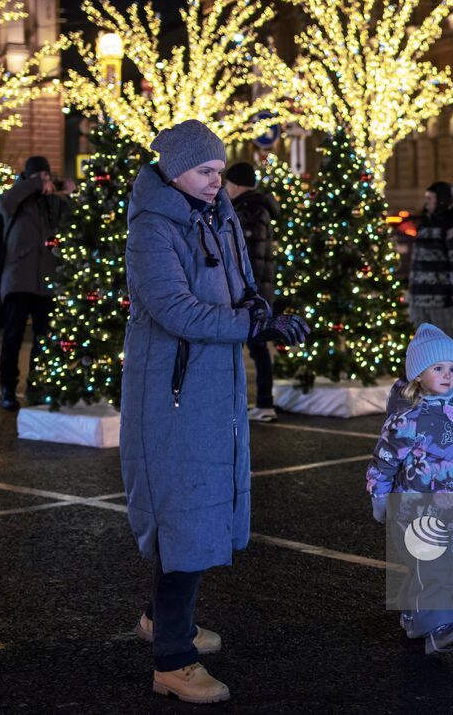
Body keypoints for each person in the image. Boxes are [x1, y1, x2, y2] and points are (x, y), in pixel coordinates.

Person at [122, 119, 310, 704]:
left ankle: (161, 617)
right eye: (206, 171)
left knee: (204, 503)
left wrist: (261, 309)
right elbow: (176, 310)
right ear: (175, 169)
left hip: (213, 382)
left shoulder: (214, 213)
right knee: (186, 508)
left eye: (219, 170)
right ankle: (172, 662)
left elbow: (237, 283)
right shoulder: (153, 227)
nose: (216, 181)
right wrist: (249, 324)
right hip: (174, 389)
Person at [366, 324, 453, 656]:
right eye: (438, 368)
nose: (447, 375)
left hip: (450, 509)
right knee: (433, 568)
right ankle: (438, 629)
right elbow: (384, 460)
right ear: (419, 375)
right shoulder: (407, 419)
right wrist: (379, 498)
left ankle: (412, 613)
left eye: (452, 368)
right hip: (415, 511)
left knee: (436, 565)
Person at [0, 156, 73, 410]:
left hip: (46, 282)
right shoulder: (16, 201)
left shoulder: (51, 203)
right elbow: (6, 201)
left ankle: (36, 385)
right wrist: (34, 184)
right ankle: (7, 388)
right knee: (13, 336)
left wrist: (66, 193)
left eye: (46, 176)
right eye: (40, 176)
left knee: (44, 338)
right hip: (18, 280)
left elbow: (72, 222)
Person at [223, 161, 281, 422]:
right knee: (256, 349)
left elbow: (249, 256)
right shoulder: (254, 208)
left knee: (256, 349)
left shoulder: (250, 210)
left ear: (235, 185)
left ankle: (266, 403)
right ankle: (262, 402)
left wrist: (248, 294)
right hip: (256, 291)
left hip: (250, 293)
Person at [407, 181, 453, 338]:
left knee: (443, 340)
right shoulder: (425, 223)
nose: (427, 201)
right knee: (421, 342)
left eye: (431, 198)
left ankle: (450, 363)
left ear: (442, 200)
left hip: (440, 298)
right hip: (418, 297)